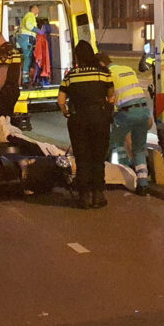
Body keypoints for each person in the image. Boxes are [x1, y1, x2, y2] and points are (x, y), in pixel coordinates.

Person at [58, 40, 114, 209]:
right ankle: (98, 195)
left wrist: (66, 112)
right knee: (98, 157)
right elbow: (111, 96)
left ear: (77, 57)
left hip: (78, 119)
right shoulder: (104, 73)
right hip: (99, 119)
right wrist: (106, 112)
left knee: (82, 158)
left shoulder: (70, 75)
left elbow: (61, 101)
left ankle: (84, 197)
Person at [97, 53, 151, 196]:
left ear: (102, 64)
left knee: (113, 143)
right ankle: (143, 184)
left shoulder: (107, 74)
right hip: (144, 111)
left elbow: (109, 98)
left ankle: (118, 175)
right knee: (138, 149)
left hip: (126, 113)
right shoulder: (127, 68)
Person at [17, 4, 40, 86]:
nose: (38, 11)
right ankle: (25, 79)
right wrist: (37, 30)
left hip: (25, 39)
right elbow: (28, 25)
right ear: (33, 9)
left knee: (28, 58)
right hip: (26, 39)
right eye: (37, 9)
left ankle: (26, 78)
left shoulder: (28, 15)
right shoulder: (30, 15)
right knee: (28, 58)